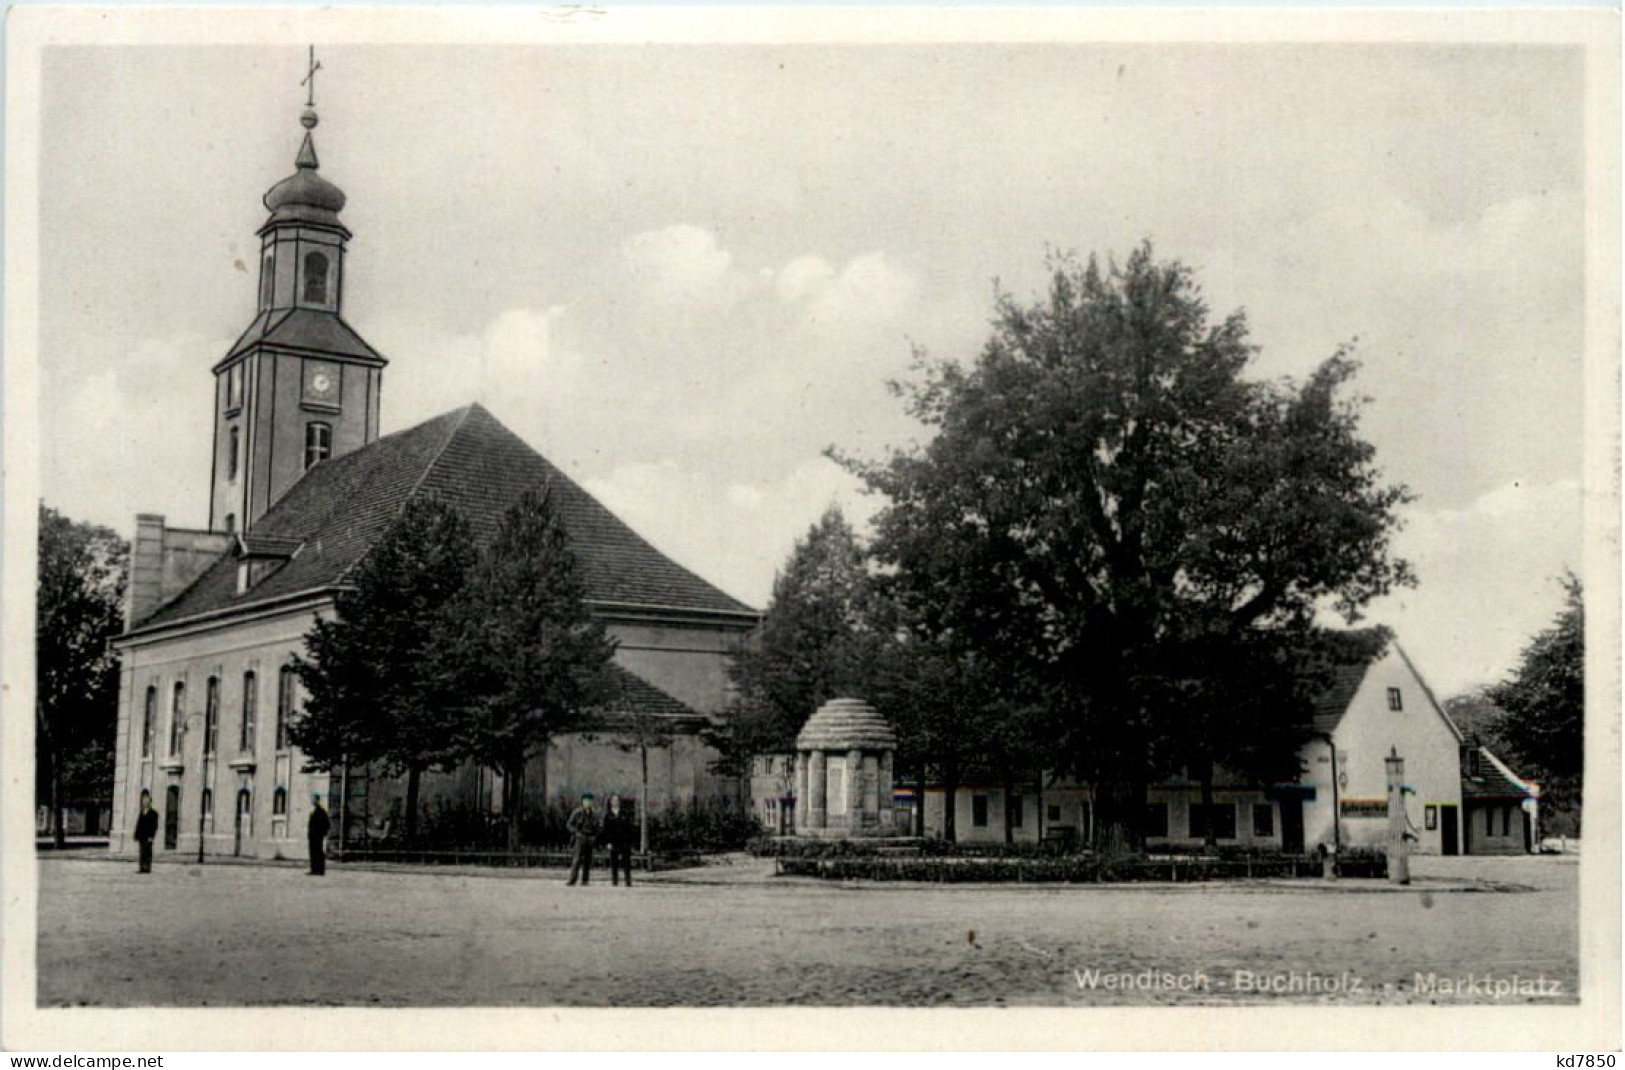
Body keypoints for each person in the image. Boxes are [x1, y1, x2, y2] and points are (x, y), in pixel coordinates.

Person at [565, 792, 599, 886]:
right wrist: (576, 833)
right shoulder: (577, 812)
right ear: (583, 802)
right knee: (577, 859)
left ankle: (585, 880)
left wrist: (594, 837)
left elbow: (598, 827)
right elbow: (569, 825)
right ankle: (573, 879)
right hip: (580, 838)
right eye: (586, 801)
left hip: (589, 838)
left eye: (589, 801)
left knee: (588, 860)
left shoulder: (594, 814)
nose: (588, 803)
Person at [603, 794, 635, 887]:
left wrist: (629, 841)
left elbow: (629, 828)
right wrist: (607, 842)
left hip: (624, 841)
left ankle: (628, 881)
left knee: (626, 862)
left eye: (617, 800)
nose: (615, 802)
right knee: (614, 862)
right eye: (613, 800)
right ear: (611, 802)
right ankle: (615, 881)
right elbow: (606, 830)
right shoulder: (608, 815)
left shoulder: (625, 814)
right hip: (613, 842)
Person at [133, 790, 158, 874]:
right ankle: (142, 868)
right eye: (143, 801)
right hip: (142, 836)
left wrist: (152, 836)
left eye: (146, 801)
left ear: (150, 802)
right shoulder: (142, 812)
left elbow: (154, 826)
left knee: (148, 851)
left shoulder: (153, 813)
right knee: (142, 851)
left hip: (148, 836)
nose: (145, 802)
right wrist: (136, 835)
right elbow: (139, 824)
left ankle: (147, 867)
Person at [308, 794, 331, 876]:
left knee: (318, 852)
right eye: (311, 799)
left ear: (317, 800)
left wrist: (322, 833)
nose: (312, 801)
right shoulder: (313, 811)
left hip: (317, 836)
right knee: (313, 852)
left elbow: (327, 824)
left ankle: (320, 870)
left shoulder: (321, 811)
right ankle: (314, 869)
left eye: (313, 799)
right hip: (312, 836)